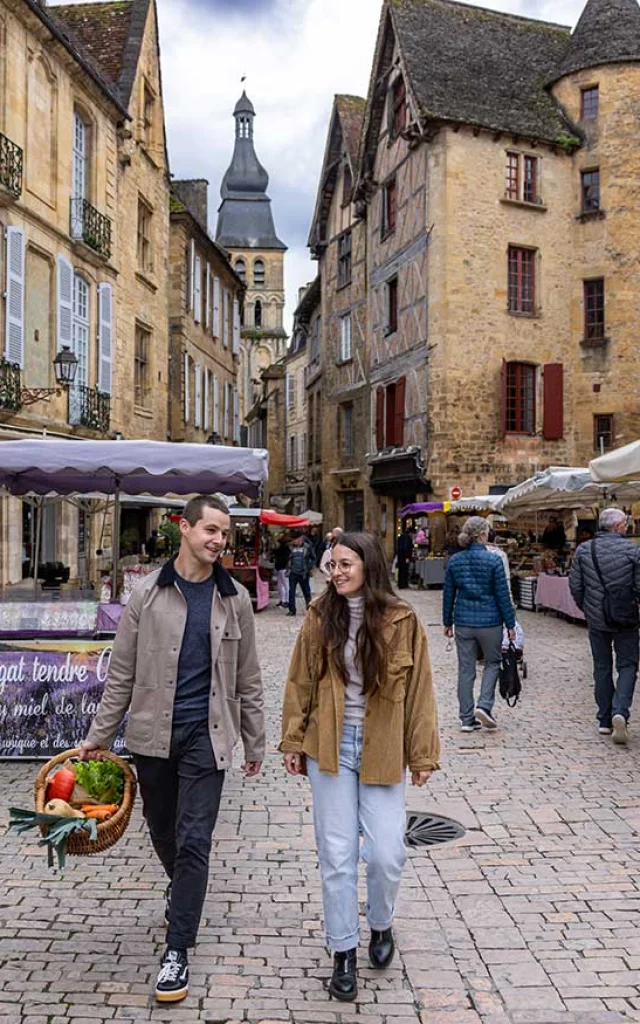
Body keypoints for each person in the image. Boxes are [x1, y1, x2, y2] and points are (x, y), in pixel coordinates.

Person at [79, 495, 265, 1004]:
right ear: (182, 528)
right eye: (210, 530)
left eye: (224, 533)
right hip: (152, 738)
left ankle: (177, 948)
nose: (218, 541)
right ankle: (181, 890)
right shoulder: (146, 595)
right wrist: (98, 735)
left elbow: (248, 676)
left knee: (193, 840)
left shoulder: (236, 600)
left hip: (209, 737)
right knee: (162, 830)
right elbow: (120, 676)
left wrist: (255, 739)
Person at [280, 532, 440, 1002]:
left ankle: (381, 923)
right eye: (333, 565)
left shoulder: (402, 619)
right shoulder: (319, 615)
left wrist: (422, 754)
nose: (338, 572)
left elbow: (420, 692)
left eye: (347, 564)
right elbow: (299, 680)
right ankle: (343, 951)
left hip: (383, 747)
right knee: (337, 855)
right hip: (328, 746)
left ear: (369, 565)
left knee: (388, 853)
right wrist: (293, 739)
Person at [570, 507, 640, 744]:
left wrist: (588, 609)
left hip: (597, 618)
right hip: (626, 617)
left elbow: (576, 586)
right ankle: (620, 710)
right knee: (628, 665)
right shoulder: (632, 550)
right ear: (619, 526)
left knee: (602, 666)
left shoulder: (583, 550)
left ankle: (604, 719)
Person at [443, 516, 515, 731]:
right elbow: (502, 595)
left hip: (464, 621)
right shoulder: (494, 561)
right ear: (483, 534)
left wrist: (447, 621)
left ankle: (466, 718)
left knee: (466, 669)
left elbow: (448, 594)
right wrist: (510, 624)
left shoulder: (455, 561)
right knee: (492, 663)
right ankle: (484, 705)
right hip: (491, 621)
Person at [287, 533, 314, 616]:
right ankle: (292, 610)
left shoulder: (307, 547)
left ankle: (309, 608)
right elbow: (287, 557)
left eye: (296, 539)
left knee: (306, 591)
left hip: (303, 573)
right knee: (291, 591)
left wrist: (309, 567)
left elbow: (313, 558)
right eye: (294, 540)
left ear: (301, 539)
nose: (295, 541)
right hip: (293, 572)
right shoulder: (290, 547)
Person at [273, 534, 291, 608]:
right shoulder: (287, 549)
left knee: (283, 585)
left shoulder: (283, 549)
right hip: (282, 567)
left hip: (282, 568)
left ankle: (285, 600)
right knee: (282, 585)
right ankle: (283, 600)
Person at [396, 525, 414, 590]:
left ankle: (400, 584)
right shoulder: (407, 537)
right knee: (405, 570)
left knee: (400, 570)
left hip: (400, 556)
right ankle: (404, 584)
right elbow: (406, 547)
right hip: (404, 557)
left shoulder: (401, 536)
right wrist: (407, 557)